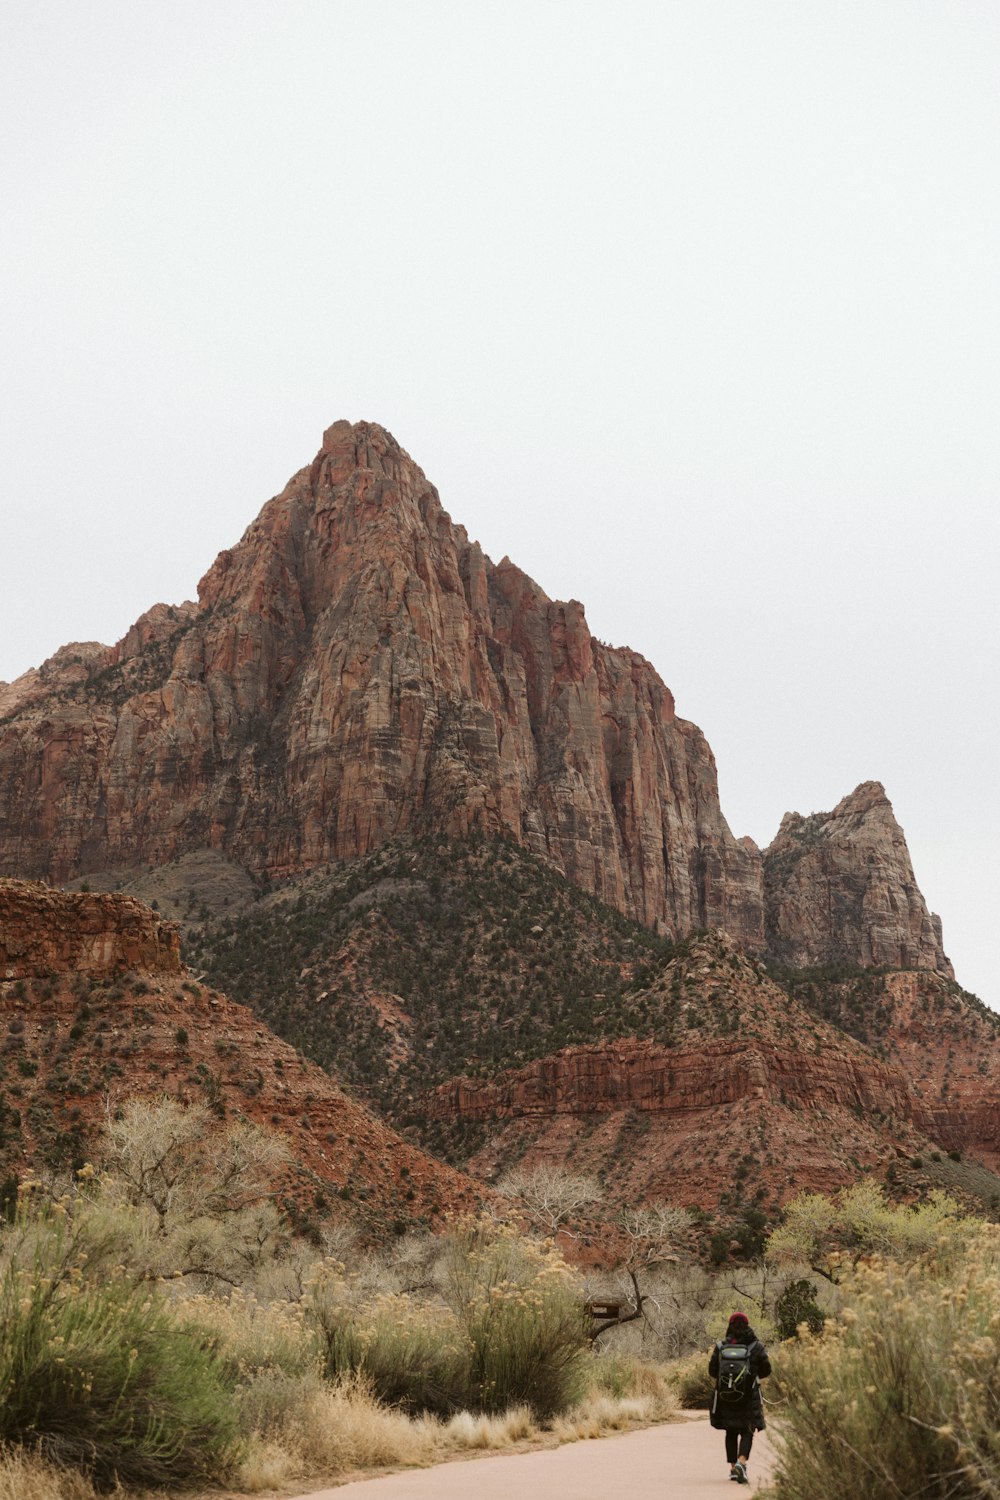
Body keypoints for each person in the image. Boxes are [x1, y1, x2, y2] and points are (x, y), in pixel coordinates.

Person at [708, 1310, 771, 1484]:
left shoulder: (721, 1347)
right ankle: (742, 1462)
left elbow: (712, 1371)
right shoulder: (756, 1346)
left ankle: (733, 1468)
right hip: (749, 1397)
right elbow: (767, 1370)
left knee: (730, 1431)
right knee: (747, 1430)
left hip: (726, 1397)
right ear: (747, 1325)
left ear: (730, 1326)